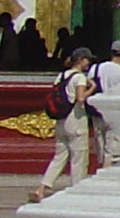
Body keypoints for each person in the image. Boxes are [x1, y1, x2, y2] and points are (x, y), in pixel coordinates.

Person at [33, 48, 96, 198]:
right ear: (80, 60)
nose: (89, 63)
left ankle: (42, 188)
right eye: (87, 60)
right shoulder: (79, 77)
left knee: (59, 156)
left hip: (61, 120)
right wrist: (91, 88)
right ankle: (77, 190)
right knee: (79, 156)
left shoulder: (61, 76)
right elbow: (80, 98)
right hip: (75, 120)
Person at [89, 34, 120, 167]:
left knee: (101, 150)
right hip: (114, 114)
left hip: (96, 113)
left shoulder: (96, 68)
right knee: (112, 151)